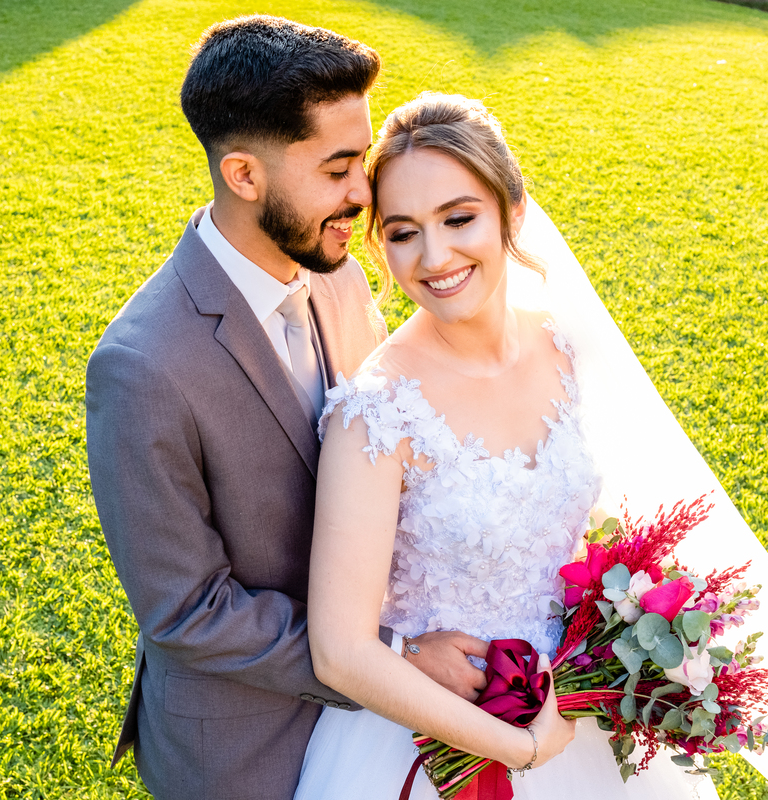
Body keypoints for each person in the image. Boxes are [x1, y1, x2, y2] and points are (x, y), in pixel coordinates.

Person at [296, 92, 768, 800]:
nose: (434, 258)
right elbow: (340, 651)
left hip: (582, 706)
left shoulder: (564, 345)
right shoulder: (374, 413)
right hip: (426, 734)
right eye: (403, 232)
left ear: (512, 212)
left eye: (459, 218)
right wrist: (520, 746)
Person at [85, 18, 487, 800]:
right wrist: (391, 657)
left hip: (392, 715)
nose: (363, 194)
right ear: (243, 174)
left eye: (361, 161)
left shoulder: (334, 271)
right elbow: (188, 614)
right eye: (338, 168)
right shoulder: (140, 369)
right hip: (248, 744)